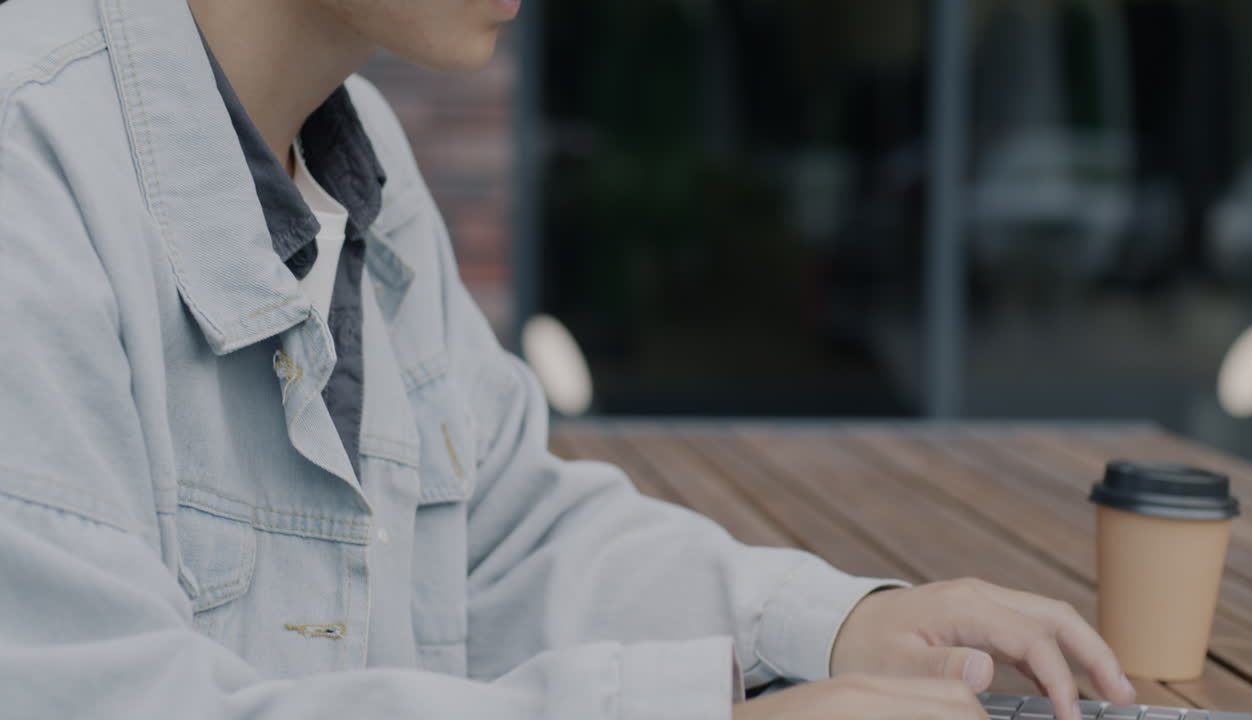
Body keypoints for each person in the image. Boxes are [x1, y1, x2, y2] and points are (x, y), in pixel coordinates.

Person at [0, 0, 1138, 718]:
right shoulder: (29, 162)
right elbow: (96, 695)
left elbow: (503, 536)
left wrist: (832, 625)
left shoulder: (357, 158)